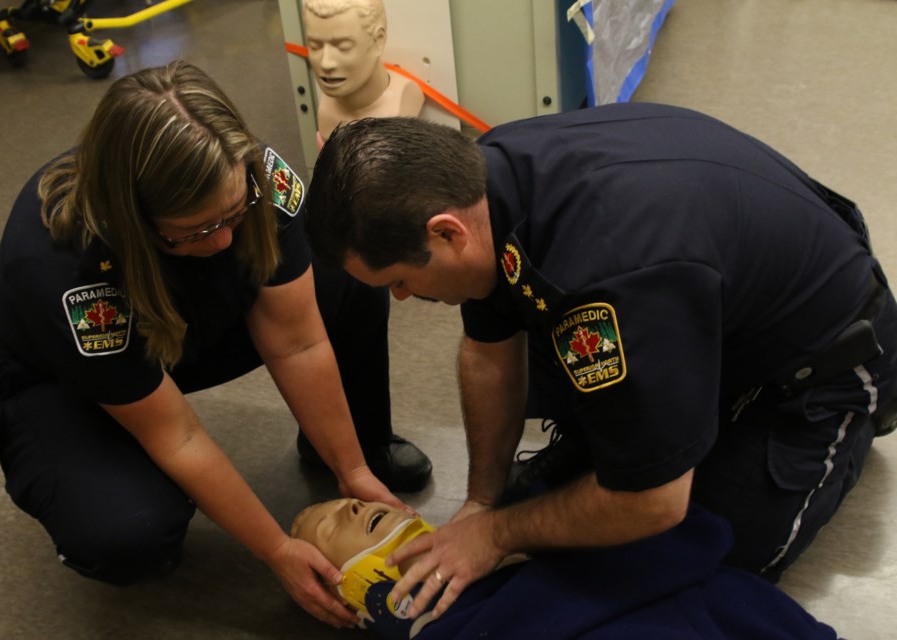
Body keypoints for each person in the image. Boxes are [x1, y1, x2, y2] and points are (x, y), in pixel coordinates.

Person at [303, 105, 897, 619]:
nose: (403, 299)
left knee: (695, 560)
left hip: (820, 362)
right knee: (576, 498)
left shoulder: (606, 273)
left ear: (447, 233)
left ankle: (848, 428)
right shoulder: (485, 180)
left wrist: (496, 534)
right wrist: (483, 501)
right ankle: (644, 435)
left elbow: (654, 502)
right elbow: (490, 352)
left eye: (402, 280)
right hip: (708, 301)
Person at [0, 60, 432, 629]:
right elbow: (178, 432)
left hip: (176, 324)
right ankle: (104, 486)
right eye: (195, 229)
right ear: (134, 218)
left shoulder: (258, 174)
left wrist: (353, 469)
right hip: (66, 377)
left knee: (346, 274)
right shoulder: (63, 263)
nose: (222, 241)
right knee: (130, 533)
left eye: (232, 215)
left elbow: (296, 342)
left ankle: (350, 451)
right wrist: (276, 549)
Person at [291, 498, 839, 639]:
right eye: (329, 524)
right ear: (357, 587)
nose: (353, 505)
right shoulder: (403, 611)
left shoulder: (502, 545)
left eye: (347, 501)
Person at [302, 0, 424, 147]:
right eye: (315, 46)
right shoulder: (327, 105)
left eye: (343, 47)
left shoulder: (405, 99)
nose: (325, 63)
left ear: (378, 40)